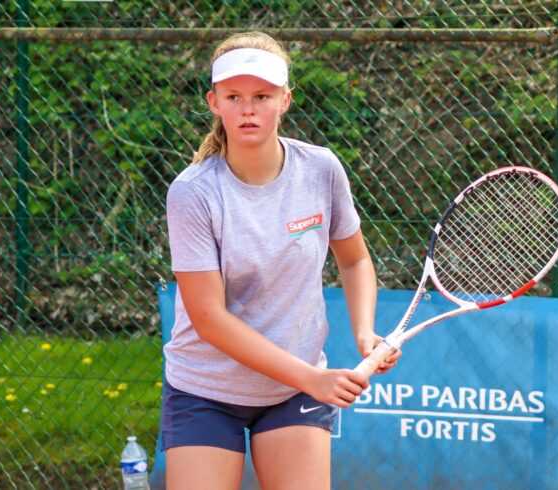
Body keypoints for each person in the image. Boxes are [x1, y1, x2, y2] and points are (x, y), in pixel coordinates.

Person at [162, 31, 400, 489]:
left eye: (262, 96)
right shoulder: (192, 193)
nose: (248, 108)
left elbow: (354, 261)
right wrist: (313, 378)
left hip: (294, 392)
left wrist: (364, 332)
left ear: (285, 100)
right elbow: (208, 318)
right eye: (234, 96)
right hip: (205, 390)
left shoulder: (322, 169)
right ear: (214, 102)